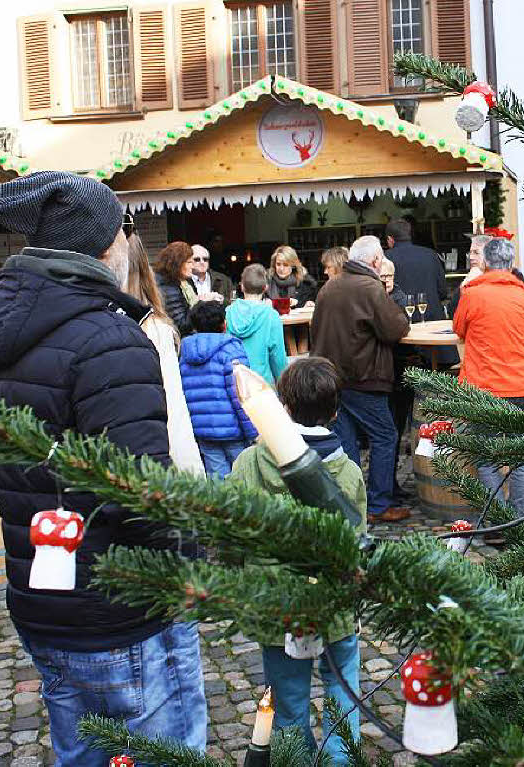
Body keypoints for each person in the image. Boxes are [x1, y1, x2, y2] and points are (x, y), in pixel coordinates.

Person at [0, 170, 207, 765]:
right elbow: (139, 497)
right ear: (108, 246)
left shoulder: (6, 335)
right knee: (161, 751)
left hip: (43, 597)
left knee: (80, 751)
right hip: (117, 609)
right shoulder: (111, 337)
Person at [230, 357, 365, 765]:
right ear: (337, 410)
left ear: (282, 406)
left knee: (288, 702)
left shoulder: (249, 465)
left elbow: (233, 532)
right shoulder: (349, 473)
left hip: (277, 607)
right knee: (344, 691)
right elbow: (355, 540)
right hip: (335, 605)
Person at [311, 236, 411, 522]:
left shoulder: (329, 287)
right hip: (363, 377)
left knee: (347, 441)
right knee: (385, 435)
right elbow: (394, 329)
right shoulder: (370, 287)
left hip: (332, 377)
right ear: (377, 260)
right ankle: (379, 505)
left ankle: (353, 503)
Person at [454, 238, 524, 513]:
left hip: (485, 388)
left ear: (485, 262)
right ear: (511, 263)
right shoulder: (523, 294)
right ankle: (518, 521)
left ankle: (496, 521)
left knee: (485, 457)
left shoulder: (472, 293)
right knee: (522, 459)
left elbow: (459, 329)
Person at [126, 233, 205, 475]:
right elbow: (181, 321)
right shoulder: (157, 323)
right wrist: (202, 308)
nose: (194, 266)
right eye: (190, 261)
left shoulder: (180, 285)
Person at [179, 301, 257, 478]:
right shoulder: (231, 349)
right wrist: (253, 431)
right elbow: (241, 394)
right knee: (245, 480)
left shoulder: (185, 352)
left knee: (218, 482)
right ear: (224, 324)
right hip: (234, 431)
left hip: (202, 430)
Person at [385, 218, 458, 368]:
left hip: (404, 336)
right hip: (435, 333)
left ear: (390, 239)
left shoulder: (386, 258)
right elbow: (442, 291)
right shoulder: (430, 254)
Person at [381, 258, 420, 500]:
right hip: (384, 372)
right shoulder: (374, 298)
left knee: (395, 428)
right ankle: (388, 482)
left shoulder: (400, 298)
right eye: (381, 276)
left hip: (398, 369)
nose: (385, 280)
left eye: (389, 276)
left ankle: (390, 482)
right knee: (388, 431)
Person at [226, 264, 288, 385]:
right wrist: (283, 385)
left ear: (242, 287)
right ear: (266, 288)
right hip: (261, 383)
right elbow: (278, 356)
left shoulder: (228, 312)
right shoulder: (271, 315)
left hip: (234, 382)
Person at [154, 241, 197, 338]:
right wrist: (202, 303)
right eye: (189, 262)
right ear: (178, 263)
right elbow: (181, 324)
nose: (193, 266)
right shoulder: (167, 285)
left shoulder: (185, 283)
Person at [448, 233, 491, 318]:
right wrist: (464, 285)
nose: (471, 257)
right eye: (470, 252)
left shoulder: (500, 276)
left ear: (489, 255)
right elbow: (452, 311)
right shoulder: (471, 277)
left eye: (476, 253)